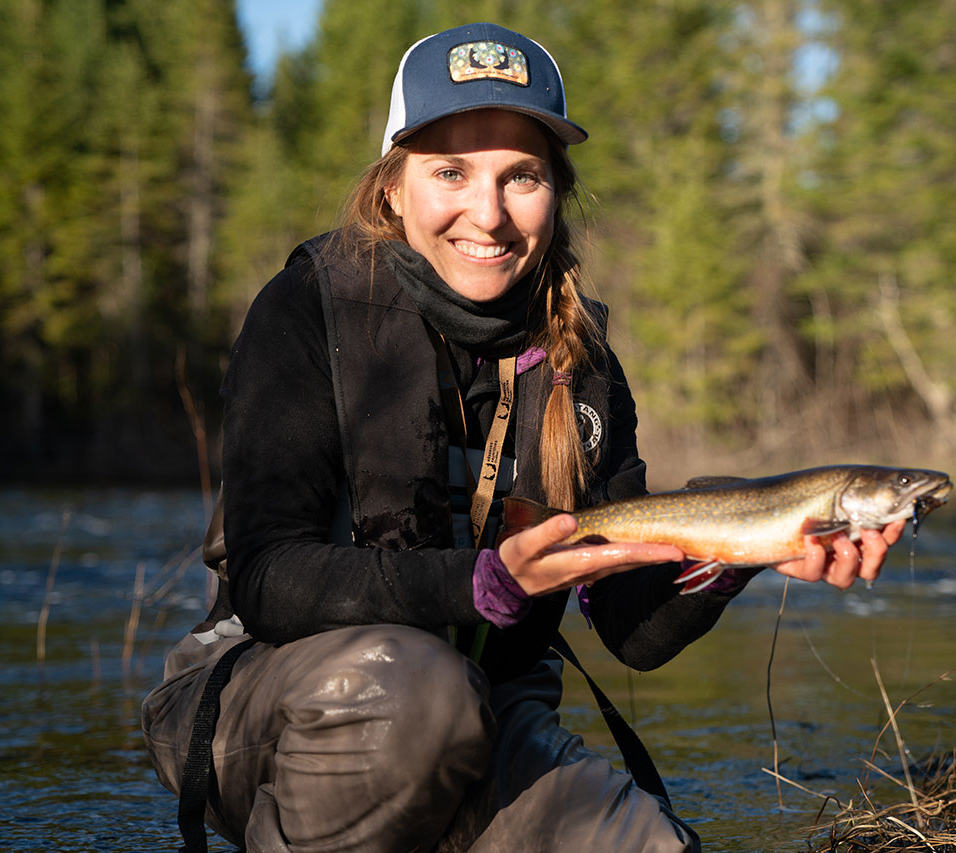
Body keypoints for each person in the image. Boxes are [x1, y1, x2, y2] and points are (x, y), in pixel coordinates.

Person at [141, 21, 905, 853]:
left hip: (488, 710)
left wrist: (742, 554)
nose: (490, 213)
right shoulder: (304, 311)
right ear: (392, 187)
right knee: (416, 701)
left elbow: (632, 630)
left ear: (556, 191)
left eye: (523, 176)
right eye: (451, 172)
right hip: (263, 700)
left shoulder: (584, 362)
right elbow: (267, 578)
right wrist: (485, 582)